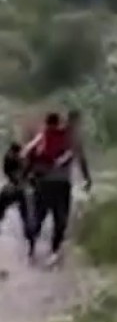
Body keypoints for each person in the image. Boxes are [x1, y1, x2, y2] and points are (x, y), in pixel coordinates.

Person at [22, 111, 91, 265]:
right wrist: (87, 179)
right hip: (61, 184)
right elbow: (82, 159)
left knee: (38, 218)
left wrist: (27, 177)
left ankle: (32, 251)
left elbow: (27, 154)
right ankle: (53, 253)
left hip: (44, 184)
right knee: (60, 220)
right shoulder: (71, 140)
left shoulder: (44, 136)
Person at [0, 138, 28, 248]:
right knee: (25, 212)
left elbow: (8, 172)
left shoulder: (12, 157)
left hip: (15, 185)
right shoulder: (18, 159)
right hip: (19, 186)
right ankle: (28, 232)